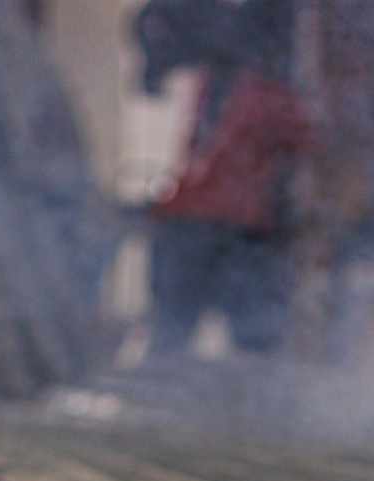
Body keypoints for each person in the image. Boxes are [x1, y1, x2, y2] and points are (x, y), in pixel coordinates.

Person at [135, 0, 312, 354]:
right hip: (212, 226)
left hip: (237, 232)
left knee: (251, 343)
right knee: (178, 339)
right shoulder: (223, 86)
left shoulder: (264, 95)